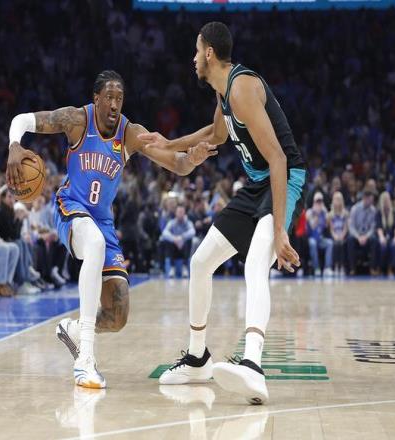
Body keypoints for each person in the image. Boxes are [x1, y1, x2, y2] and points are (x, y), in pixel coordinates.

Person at [6, 70, 216, 389]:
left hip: (102, 222)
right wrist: (14, 145)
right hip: (70, 207)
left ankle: (73, 330)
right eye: (109, 97)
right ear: (96, 99)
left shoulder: (130, 133)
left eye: (120, 98)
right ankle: (85, 360)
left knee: (117, 315)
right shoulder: (77, 120)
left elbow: (177, 164)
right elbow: (23, 120)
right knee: (93, 243)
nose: (115, 104)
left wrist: (193, 159)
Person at [140, 22, 306, 404]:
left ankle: (253, 364)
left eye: (196, 51)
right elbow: (216, 135)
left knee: (256, 263)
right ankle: (197, 357)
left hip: (283, 179)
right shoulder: (223, 90)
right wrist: (170, 142)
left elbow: (279, 159)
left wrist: (280, 230)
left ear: (209, 53)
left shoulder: (242, 88)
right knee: (201, 263)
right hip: (256, 185)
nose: (193, 58)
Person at [347, 190, 377, 275]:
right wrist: (358, 237)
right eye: (370, 200)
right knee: (350, 239)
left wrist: (366, 237)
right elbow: (351, 227)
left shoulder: (373, 210)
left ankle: (372, 268)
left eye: (372, 200)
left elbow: (373, 227)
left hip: (367, 235)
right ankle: (352, 268)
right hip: (357, 235)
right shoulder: (355, 209)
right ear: (364, 198)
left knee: (374, 239)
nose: (371, 202)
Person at [161, 204, 195, 277]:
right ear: (176, 213)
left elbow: (192, 232)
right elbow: (164, 232)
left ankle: (184, 267)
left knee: (189, 240)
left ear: (184, 213)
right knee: (167, 241)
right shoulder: (171, 222)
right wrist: (174, 239)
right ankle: (172, 267)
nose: (180, 214)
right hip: (174, 246)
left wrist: (182, 238)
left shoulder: (188, 222)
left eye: (182, 212)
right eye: (179, 212)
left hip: (184, 246)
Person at [306, 192, 333, 277]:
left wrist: (326, 213)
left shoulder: (324, 212)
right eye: (317, 201)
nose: (319, 203)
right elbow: (312, 226)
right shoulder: (310, 212)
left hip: (320, 239)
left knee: (330, 243)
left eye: (320, 201)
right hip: (311, 238)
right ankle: (316, 268)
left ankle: (327, 268)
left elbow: (327, 225)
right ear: (314, 202)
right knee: (312, 243)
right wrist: (316, 215)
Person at [374, 191, 395, 276]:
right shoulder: (379, 213)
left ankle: (390, 268)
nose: (386, 202)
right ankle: (380, 268)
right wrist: (381, 237)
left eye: (388, 200)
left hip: (391, 236)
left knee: (394, 245)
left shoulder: (394, 212)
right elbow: (379, 227)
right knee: (383, 246)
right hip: (381, 236)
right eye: (385, 200)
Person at [328, 191, 349, 276]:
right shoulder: (330, 215)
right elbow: (331, 229)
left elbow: (346, 228)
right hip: (334, 235)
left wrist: (342, 235)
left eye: (339, 199)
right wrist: (335, 236)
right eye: (336, 199)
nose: (337, 201)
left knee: (342, 244)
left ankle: (342, 266)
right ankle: (335, 266)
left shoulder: (345, 213)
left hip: (343, 234)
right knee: (336, 244)